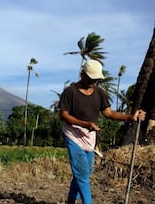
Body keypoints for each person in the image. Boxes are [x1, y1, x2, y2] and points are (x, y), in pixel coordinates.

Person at [58, 59, 146, 204]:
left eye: (96, 80)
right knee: (82, 175)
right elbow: (64, 115)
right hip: (73, 135)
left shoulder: (99, 93)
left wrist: (131, 117)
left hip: (90, 136)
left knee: (84, 173)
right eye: (91, 79)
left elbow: (109, 113)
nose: (93, 83)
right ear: (82, 74)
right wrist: (84, 124)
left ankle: (70, 201)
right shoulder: (70, 92)